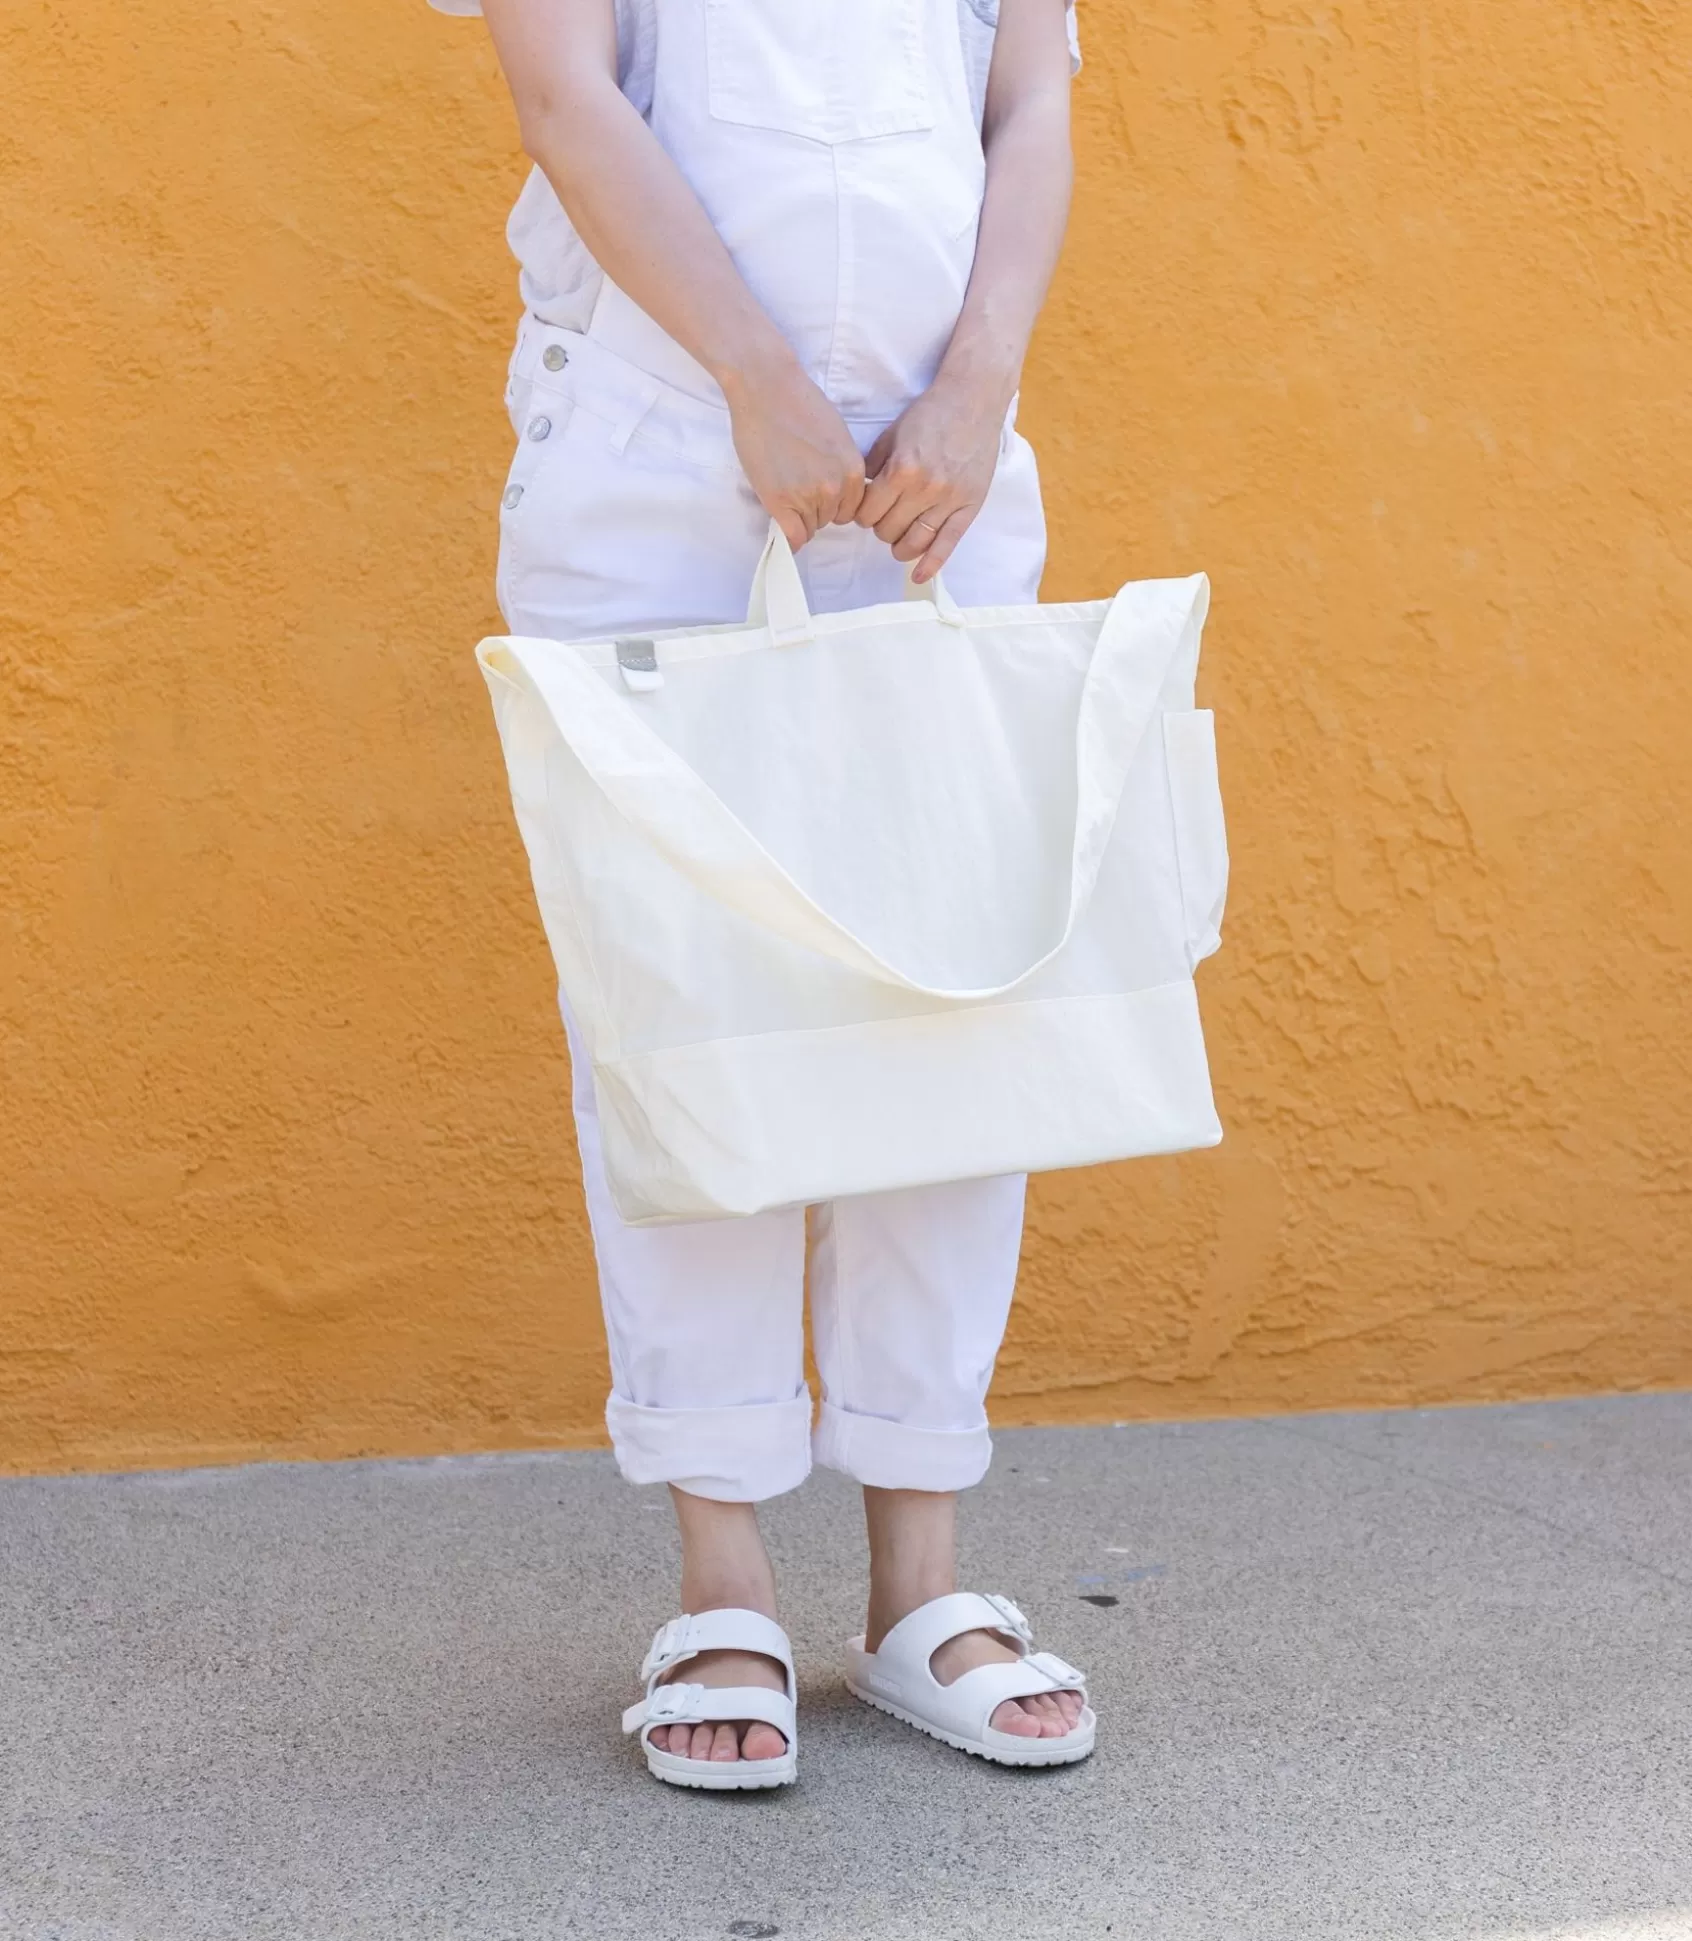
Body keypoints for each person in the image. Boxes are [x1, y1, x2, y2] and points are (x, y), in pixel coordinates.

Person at [434, 0, 1092, 1787]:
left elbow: (1027, 102)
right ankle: (721, 1574)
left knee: (944, 1007)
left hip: (942, 482)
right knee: (684, 1022)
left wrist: (976, 391)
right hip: (660, 465)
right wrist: (759, 386)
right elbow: (564, 88)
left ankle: (920, 1593)